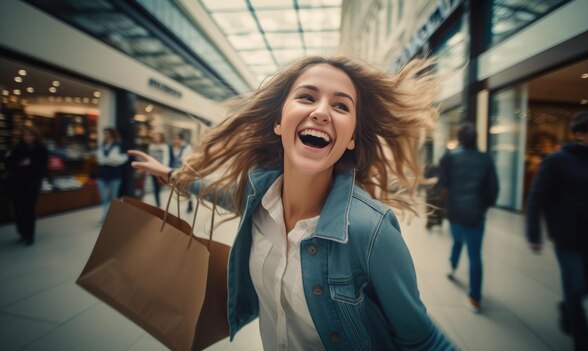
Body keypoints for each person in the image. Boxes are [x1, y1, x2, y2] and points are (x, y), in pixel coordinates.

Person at [130, 56, 456, 350]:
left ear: (352, 137)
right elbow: (221, 193)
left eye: (341, 106)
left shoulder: (372, 230)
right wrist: (171, 174)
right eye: (306, 97)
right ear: (278, 121)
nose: (321, 112)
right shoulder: (259, 195)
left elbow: (424, 340)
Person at [526, 111, 588, 351]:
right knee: (575, 286)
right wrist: (534, 233)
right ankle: (583, 342)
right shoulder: (557, 161)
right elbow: (537, 197)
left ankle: (565, 307)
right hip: (567, 238)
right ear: (580, 134)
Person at [437, 123, 499, 313]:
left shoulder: (450, 157)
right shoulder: (485, 158)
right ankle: (475, 299)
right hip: (476, 214)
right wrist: (483, 206)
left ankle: (452, 266)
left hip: (455, 211)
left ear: (460, 138)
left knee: (457, 241)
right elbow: (494, 188)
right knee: (475, 255)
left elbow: (443, 182)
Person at [6, 127, 49, 246]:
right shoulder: (18, 147)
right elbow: (9, 162)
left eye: (30, 135)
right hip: (17, 184)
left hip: (32, 184)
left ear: (35, 136)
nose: (27, 138)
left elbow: (43, 167)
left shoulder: (41, 149)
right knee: (18, 210)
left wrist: (31, 164)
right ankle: (22, 233)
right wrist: (20, 163)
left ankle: (30, 236)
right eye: (25, 135)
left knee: (29, 210)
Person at [96, 127, 128, 223]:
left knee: (114, 197)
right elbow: (100, 159)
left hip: (115, 174)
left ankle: (113, 216)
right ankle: (105, 216)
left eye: (108, 133)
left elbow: (124, 158)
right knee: (103, 197)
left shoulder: (119, 144)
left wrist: (110, 160)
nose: (106, 135)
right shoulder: (103, 145)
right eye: (104, 133)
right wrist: (107, 159)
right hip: (102, 174)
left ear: (112, 134)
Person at [169, 132, 193, 213]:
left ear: (181, 140)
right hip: (175, 171)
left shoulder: (186, 148)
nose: (176, 140)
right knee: (179, 189)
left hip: (185, 172)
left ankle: (190, 203)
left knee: (186, 189)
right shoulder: (172, 148)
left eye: (178, 139)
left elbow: (188, 160)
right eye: (175, 139)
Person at [148, 132, 170, 207]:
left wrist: (162, 169)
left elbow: (166, 158)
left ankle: (159, 202)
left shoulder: (164, 146)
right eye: (155, 136)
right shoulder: (151, 146)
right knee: (155, 187)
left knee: (160, 185)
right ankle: (158, 203)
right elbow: (149, 158)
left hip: (160, 170)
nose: (156, 138)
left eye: (158, 136)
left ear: (161, 137)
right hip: (153, 169)